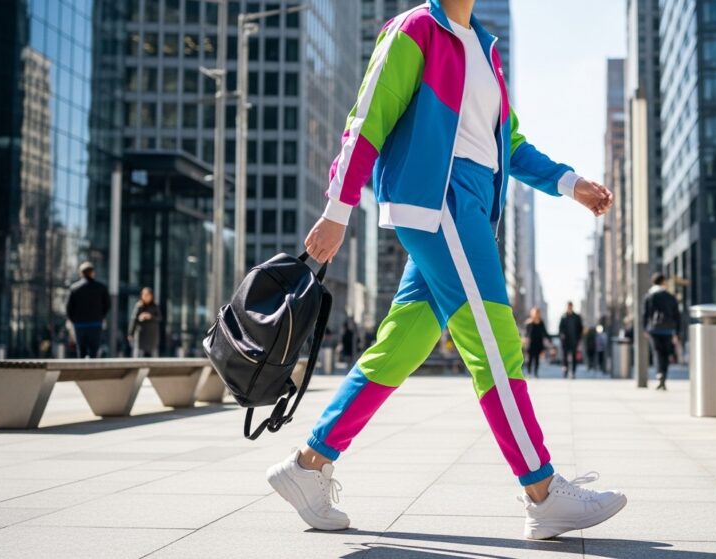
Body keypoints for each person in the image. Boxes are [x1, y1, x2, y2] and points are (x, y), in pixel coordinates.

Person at [264, 0, 623, 541]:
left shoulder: (482, 46)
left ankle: (308, 466)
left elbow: (509, 144)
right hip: (440, 200)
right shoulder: (416, 30)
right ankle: (542, 491)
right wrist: (338, 211)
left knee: (400, 347)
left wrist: (571, 184)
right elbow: (367, 120)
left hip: (470, 205)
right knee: (494, 340)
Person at [643, 273, 681, 391]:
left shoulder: (649, 296)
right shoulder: (670, 297)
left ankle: (659, 373)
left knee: (657, 353)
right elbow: (677, 316)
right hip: (668, 330)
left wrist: (645, 328)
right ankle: (663, 376)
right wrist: (677, 332)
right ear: (663, 282)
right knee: (666, 354)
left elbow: (645, 314)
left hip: (654, 329)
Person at [66, 262, 110, 358]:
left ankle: (81, 372)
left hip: (80, 325)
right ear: (92, 273)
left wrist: (74, 320)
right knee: (94, 352)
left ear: (81, 273)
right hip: (95, 324)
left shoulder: (74, 288)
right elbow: (107, 305)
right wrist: (100, 316)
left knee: (81, 352)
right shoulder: (101, 287)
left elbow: (69, 308)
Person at [128, 287, 161, 357]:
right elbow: (133, 320)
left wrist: (150, 316)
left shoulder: (155, 306)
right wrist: (131, 333)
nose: (146, 297)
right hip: (141, 334)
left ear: (151, 296)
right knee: (138, 353)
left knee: (154, 354)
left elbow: (159, 318)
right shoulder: (139, 306)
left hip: (152, 335)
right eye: (144, 295)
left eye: (148, 295)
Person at [558, 302, 584, 378]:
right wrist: (562, 335)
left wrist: (579, 338)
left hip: (574, 340)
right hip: (565, 340)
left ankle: (573, 372)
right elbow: (560, 328)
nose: (569, 308)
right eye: (568, 306)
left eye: (570, 306)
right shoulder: (563, 317)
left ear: (572, 307)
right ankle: (565, 371)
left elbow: (580, 328)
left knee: (573, 356)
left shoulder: (576, 317)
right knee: (565, 356)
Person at [523, 307, 549, 378]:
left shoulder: (541, 322)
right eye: (535, 313)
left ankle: (535, 373)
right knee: (530, 359)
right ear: (532, 313)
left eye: (538, 313)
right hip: (530, 343)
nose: (537, 314)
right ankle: (529, 372)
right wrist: (525, 339)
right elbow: (526, 333)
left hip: (538, 343)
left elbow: (544, 332)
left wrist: (549, 339)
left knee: (537, 359)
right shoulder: (529, 322)